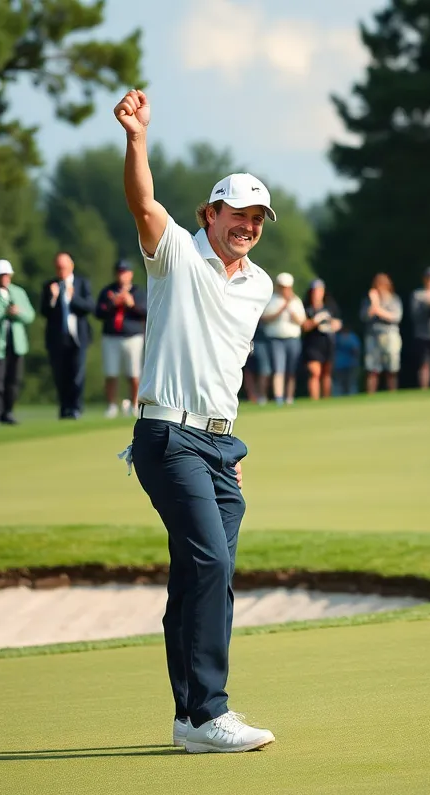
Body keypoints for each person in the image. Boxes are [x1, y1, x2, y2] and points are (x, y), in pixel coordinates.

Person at [115, 87, 275, 752]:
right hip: (166, 435)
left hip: (217, 445)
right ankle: (212, 712)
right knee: (210, 564)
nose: (246, 225)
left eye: (257, 217)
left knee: (200, 575)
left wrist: (228, 441)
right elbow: (142, 202)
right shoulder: (176, 254)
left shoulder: (261, 284)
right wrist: (137, 139)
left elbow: (224, 366)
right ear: (208, 213)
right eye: (235, 213)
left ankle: (188, 716)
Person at [0, 259, 36, 427]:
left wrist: (17, 313)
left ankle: (8, 412)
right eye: (2, 275)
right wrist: (4, 313)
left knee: (14, 381)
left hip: (16, 344)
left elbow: (30, 315)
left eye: (7, 275)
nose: (5, 278)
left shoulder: (18, 292)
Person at [41, 252, 94, 419]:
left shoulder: (82, 283)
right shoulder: (49, 286)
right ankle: (64, 409)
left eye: (63, 267)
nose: (61, 271)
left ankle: (75, 408)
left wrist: (73, 297)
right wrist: (54, 298)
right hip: (58, 338)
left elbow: (90, 307)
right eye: (58, 268)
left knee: (77, 374)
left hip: (78, 337)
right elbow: (44, 311)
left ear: (71, 267)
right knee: (60, 375)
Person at [96, 259, 147, 417]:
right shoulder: (107, 292)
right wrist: (113, 304)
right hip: (111, 336)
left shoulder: (138, 292)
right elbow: (99, 312)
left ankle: (134, 404)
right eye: (119, 272)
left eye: (124, 272)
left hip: (132, 336)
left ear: (130, 274)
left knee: (133, 373)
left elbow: (145, 312)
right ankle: (111, 405)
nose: (122, 276)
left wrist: (131, 304)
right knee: (111, 373)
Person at [260, 272, 306, 405]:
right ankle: (279, 397)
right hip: (275, 339)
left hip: (292, 338)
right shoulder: (272, 299)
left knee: (291, 370)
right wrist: (281, 309)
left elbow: (301, 321)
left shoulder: (296, 301)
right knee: (278, 369)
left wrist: (290, 309)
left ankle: (289, 397)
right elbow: (265, 318)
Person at [361, 272, 403, 393]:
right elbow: (364, 317)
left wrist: (378, 310)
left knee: (392, 367)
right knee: (372, 368)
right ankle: (371, 394)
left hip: (389, 334)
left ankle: (392, 393)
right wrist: (374, 303)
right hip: (372, 335)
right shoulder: (368, 301)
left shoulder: (393, 299)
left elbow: (396, 317)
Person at [300, 279, 341, 400]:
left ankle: (326, 399)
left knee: (327, 373)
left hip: (328, 341)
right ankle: (315, 400)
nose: (317, 294)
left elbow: (338, 322)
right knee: (315, 372)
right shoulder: (306, 307)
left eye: (319, 291)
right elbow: (305, 326)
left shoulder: (330, 306)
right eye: (315, 291)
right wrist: (316, 321)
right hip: (312, 342)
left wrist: (334, 324)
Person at [332, 324, 362, 396]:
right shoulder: (337, 337)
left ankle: (351, 397)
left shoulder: (351, 337)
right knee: (340, 384)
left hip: (350, 364)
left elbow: (356, 351)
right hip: (339, 365)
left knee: (350, 383)